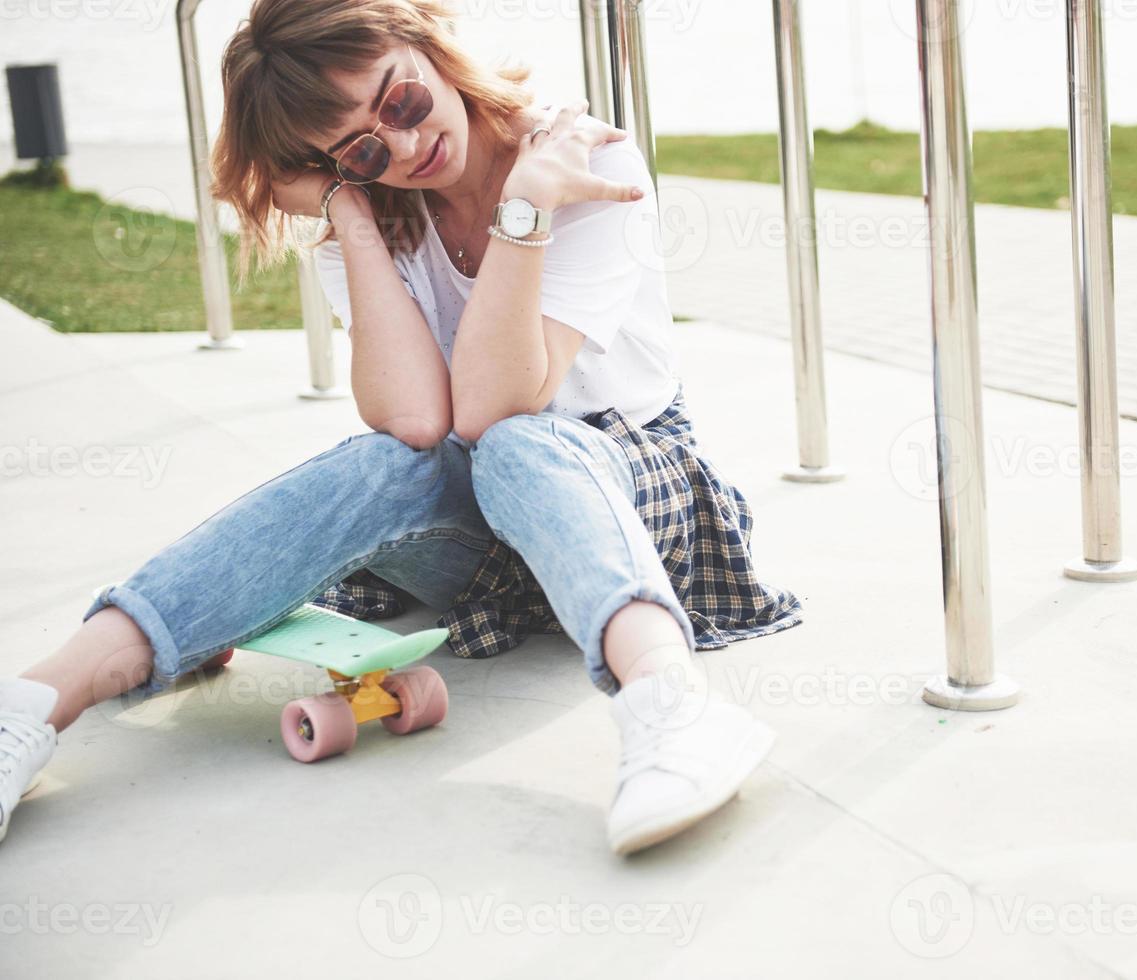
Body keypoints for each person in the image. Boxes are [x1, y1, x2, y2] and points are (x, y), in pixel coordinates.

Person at [0, 0, 802, 856]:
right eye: (364, 149)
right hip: (489, 527)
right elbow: (418, 422)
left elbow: (501, 410)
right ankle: (33, 705)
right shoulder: (372, 212)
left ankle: (671, 705)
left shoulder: (582, 161)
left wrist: (524, 208)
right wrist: (349, 213)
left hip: (626, 484)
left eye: (402, 102)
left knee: (519, 443)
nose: (406, 147)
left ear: (423, 41)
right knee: (390, 462)